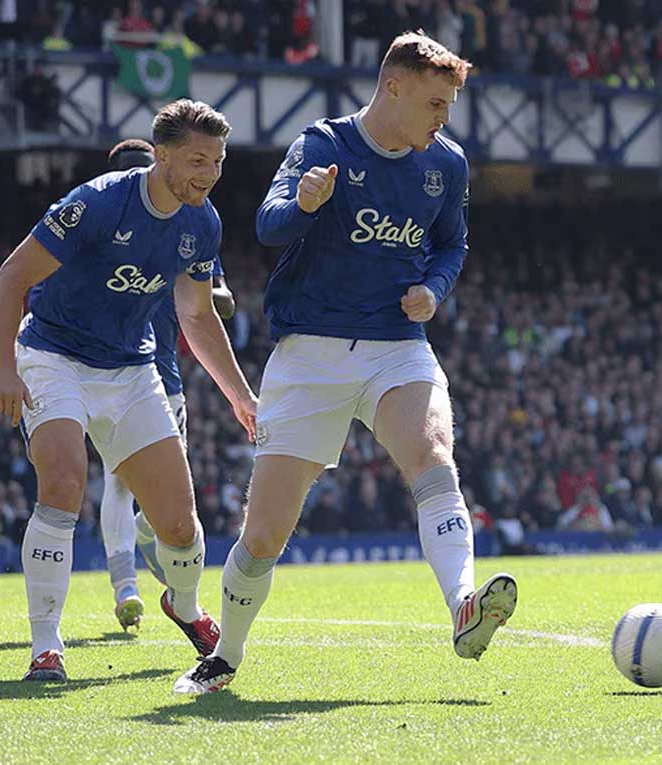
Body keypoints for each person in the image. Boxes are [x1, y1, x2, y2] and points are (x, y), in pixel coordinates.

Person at [173, 31, 517, 694]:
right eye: (435, 104)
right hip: (311, 353)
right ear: (394, 87)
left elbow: (452, 245)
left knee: (432, 453)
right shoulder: (324, 145)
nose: (443, 118)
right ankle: (225, 655)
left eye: (449, 106)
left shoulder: (446, 164)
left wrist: (434, 289)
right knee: (263, 536)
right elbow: (269, 226)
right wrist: (304, 203)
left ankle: (464, 604)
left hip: (397, 346)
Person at [0, 99, 257, 682]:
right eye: (198, 160)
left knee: (178, 527)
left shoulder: (202, 223)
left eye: (217, 161)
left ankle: (184, 606)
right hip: (53, 354)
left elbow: (197, 314)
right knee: (64, 480)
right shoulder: (97, 203)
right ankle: (46, 644)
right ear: (161, 156)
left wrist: (240, 395)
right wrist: (3, 365)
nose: (210, 174)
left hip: (132, 369)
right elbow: (9, 278)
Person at [97, 138, 238, 631]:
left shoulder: (191, 221)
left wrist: (210, 293)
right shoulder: (103, 218)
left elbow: (217, 295)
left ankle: (145, 537)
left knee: (163, 482)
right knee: (118, 477)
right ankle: (125, 586)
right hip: (112, 368)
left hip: (164, 372)